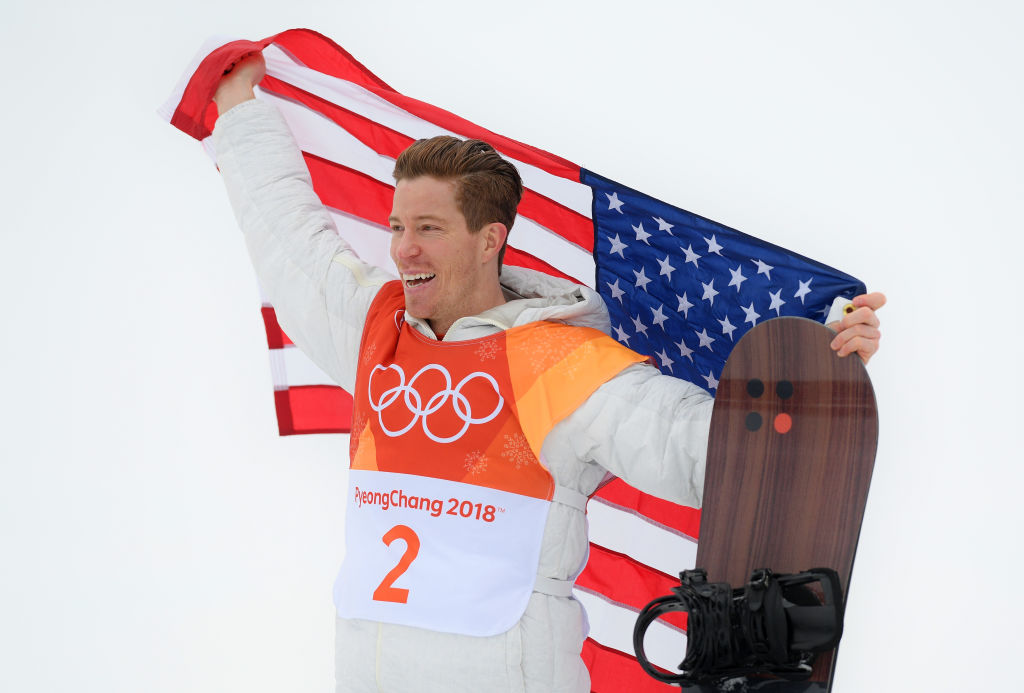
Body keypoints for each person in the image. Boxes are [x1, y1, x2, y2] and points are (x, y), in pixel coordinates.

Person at [209, 53, 885, 693]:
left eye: (428, 227)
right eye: (395, 225)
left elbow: (704, 447)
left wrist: (817, 362)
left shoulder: (558, 362)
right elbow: (290, 245)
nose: (402, 248)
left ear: (490, 239)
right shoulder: (376, 328)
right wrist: (239, 110)